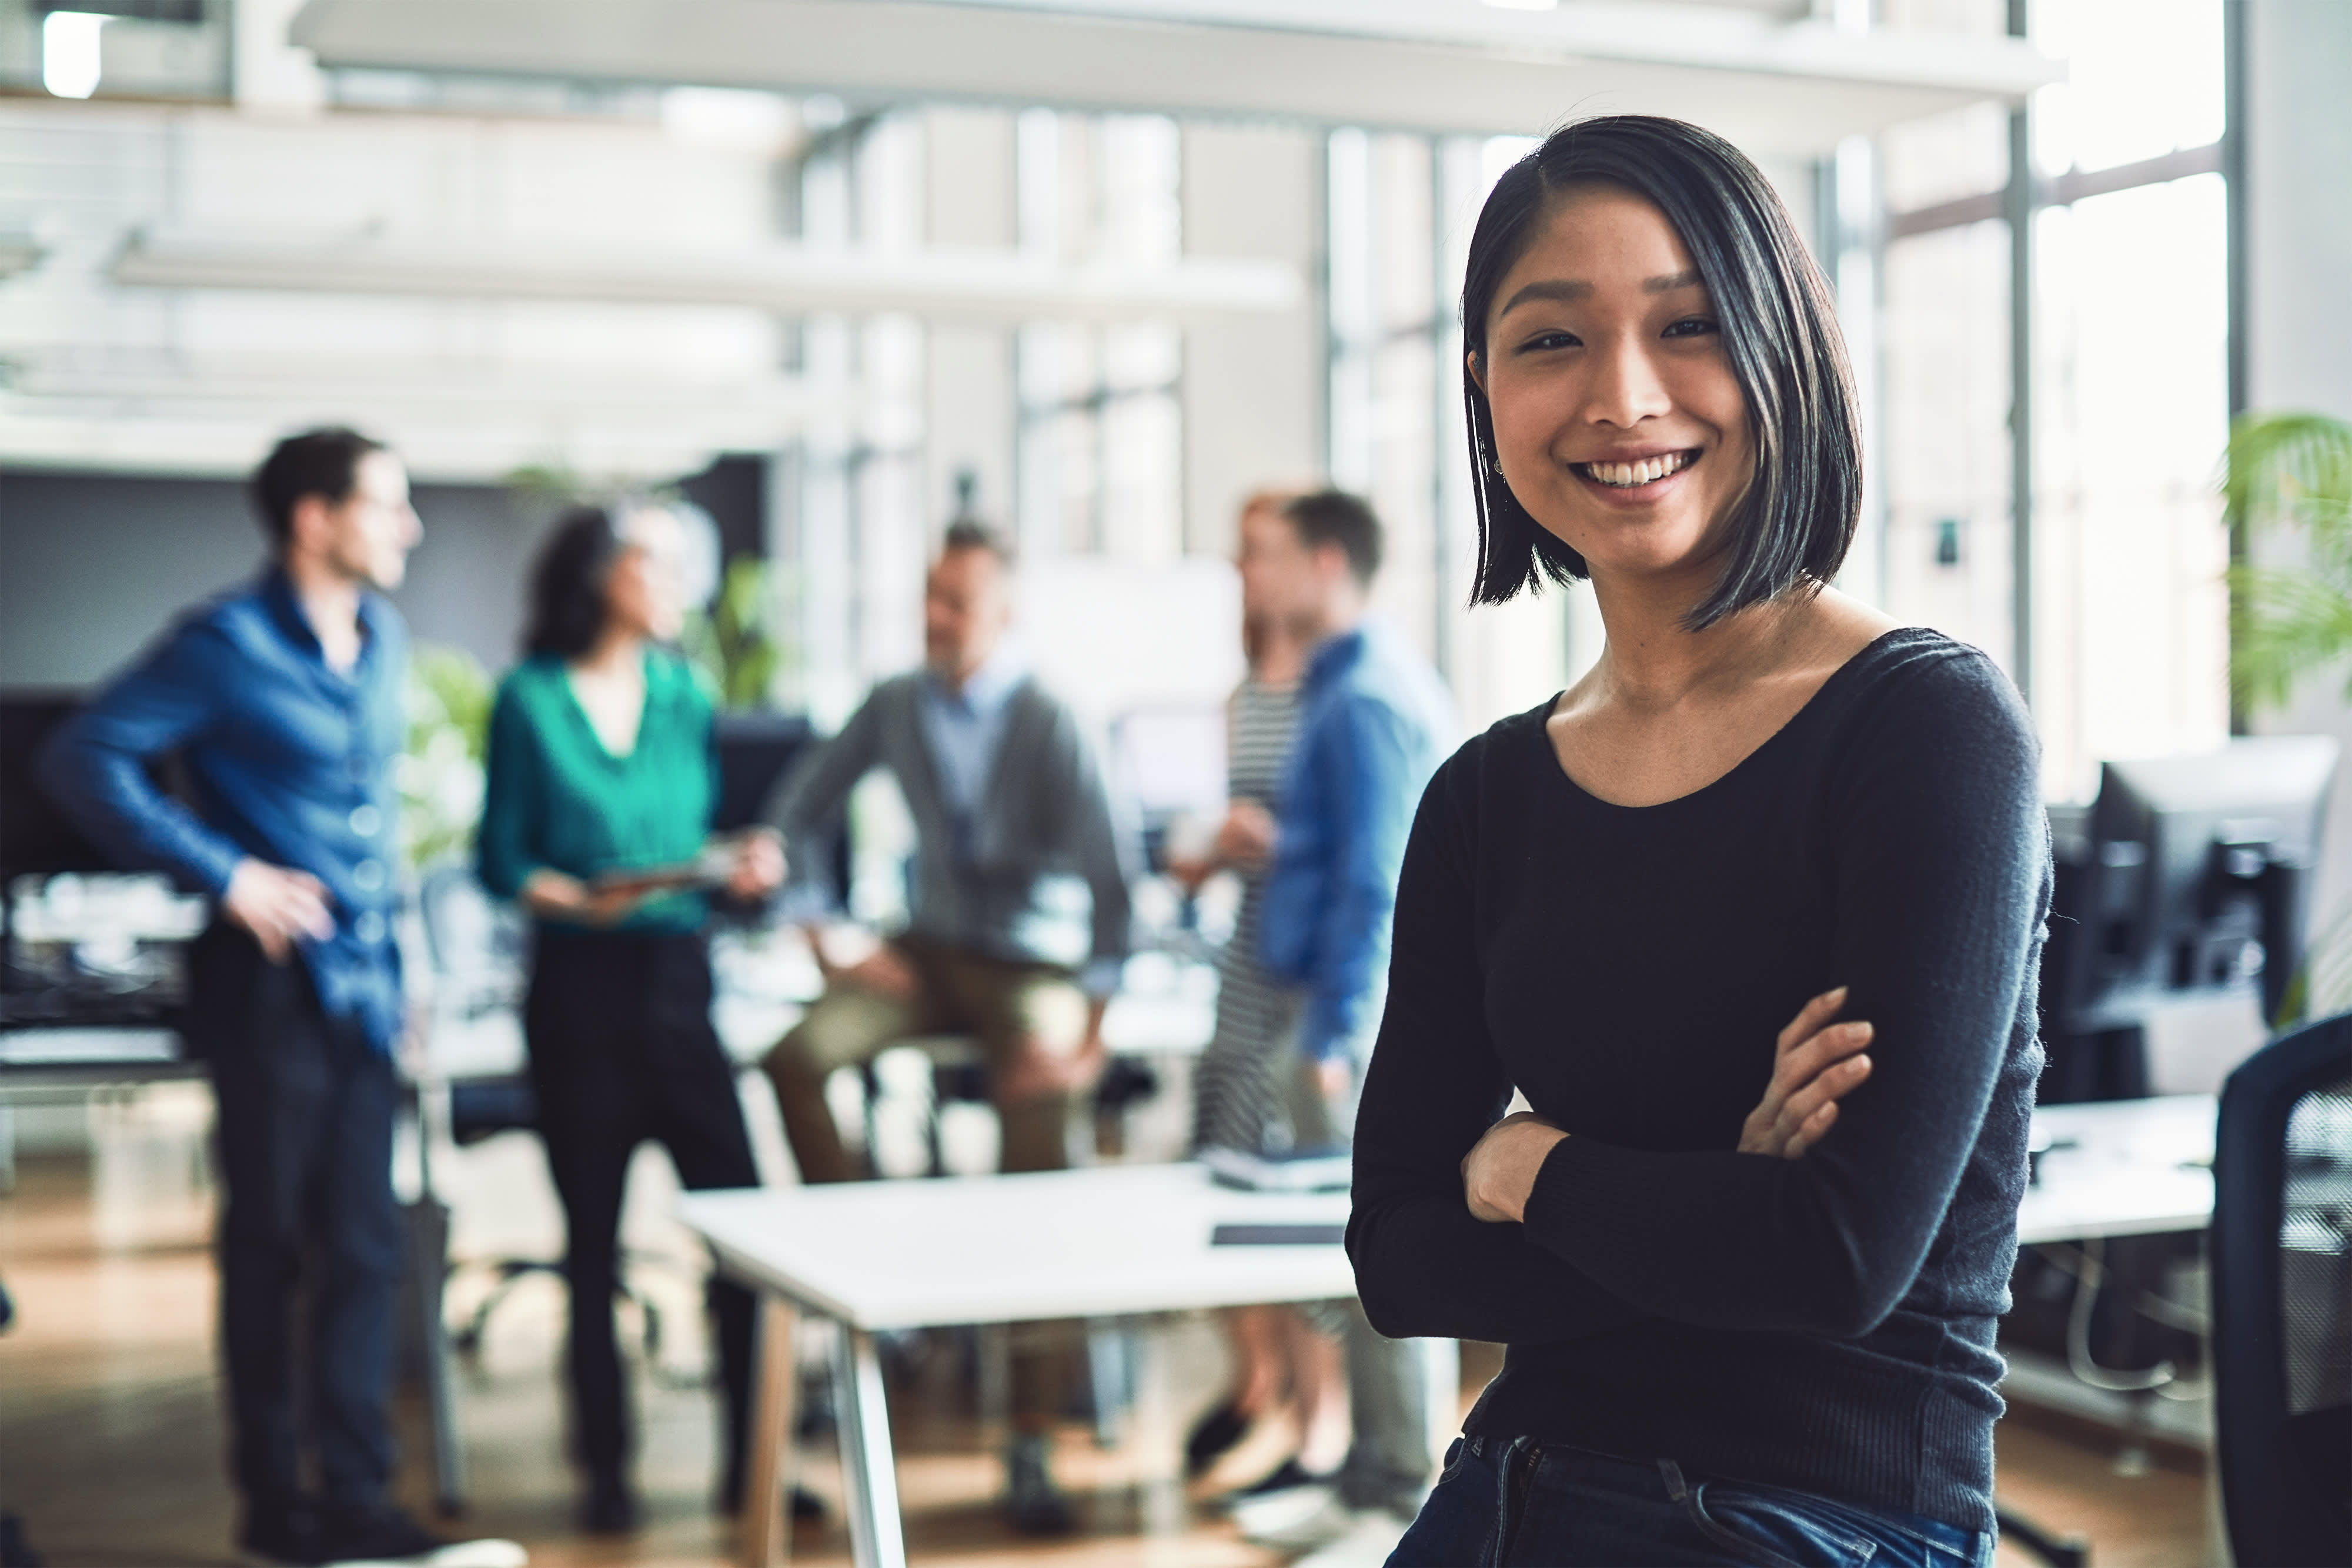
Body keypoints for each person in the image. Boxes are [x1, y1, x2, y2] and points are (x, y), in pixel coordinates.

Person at [1349, 116, 2049, 1568]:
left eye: (1687, 325)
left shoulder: (1923, 731)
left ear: (1781, 352)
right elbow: (1400, 1254)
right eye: (1549, 341)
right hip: (1502, 1487)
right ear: (1481, 390)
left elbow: (1834, 1258)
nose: (1620, 395)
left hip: (1820, 1516)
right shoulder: (1485, 796)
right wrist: (1714, 1194)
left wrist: (1534, 1163)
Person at [38, 428, 524, 1568]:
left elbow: (376, 829)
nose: (407, 528)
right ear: (315, 517)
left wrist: (404, 974)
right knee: (270, 1245)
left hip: (360, 990)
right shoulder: (223, 642)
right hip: (261, 990)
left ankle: (357, 1498)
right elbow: (81, 756)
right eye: (387, 506)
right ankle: (274, 1497)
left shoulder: (384, 637)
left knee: (364, 1246)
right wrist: (227, 871)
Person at [758, 517, 1135, 1536]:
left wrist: (1092, 1030)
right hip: (922, 952)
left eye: (957, 602)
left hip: (1032, 962)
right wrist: (823, 933)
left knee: (1040, 1148)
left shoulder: (1053, 716)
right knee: (794, 1058)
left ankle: (1030, 1432)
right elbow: (794, 815)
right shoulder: (895, 702)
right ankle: (879, 1282)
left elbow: (1114, 885)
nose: (937, 618)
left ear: (1002, 611)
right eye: (929, 598)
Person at [474, 503, 785, 1533]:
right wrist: (577, 896)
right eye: (662, 562)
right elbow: (502, 857)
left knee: (741, 1235)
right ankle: (606, 1472)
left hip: (678, 985)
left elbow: (694, 833)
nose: (682, 582)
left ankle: (756, 1461)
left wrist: (741, 866)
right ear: (608, 573)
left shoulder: (684, 694)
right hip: (578, 996)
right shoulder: (528, 701)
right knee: (592, 1244)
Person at [1215, 487, 1460, 1556]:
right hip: (1329, 1010)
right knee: (1356, 1264)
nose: (1248, 578)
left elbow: (1381, 884)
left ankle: (1400, 1494)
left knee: (1391, 1267)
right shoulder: (1338, 687)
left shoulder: (1363, 697)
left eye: (1263, 557)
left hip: (1347, 1024)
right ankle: (1367, 1478)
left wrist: (1333, 1039)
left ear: (1324, 565)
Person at [1171, 501, 1347, 1496]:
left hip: (1303, 977)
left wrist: (1273, 846)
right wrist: (1208, 850)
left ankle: (1319, 1425)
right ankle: (1262, 1390)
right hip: (1242, 961)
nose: (1245, 569)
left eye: (1260, 552)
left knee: (1298, 1198)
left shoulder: (1342, 694)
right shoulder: (1247, 691)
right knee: (1226, 1162)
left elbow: (1350, 850)